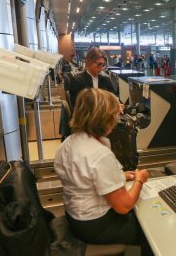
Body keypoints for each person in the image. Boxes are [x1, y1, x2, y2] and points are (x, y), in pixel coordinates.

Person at [54, 88, 153, 254]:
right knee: (149, 221)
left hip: (76, 218)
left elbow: (84, 178)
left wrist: (120, 176)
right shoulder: (99, 154)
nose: (116, 120)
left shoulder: (68, 143)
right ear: (102, 118)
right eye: (114, 115)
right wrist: (139, 180)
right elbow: (124, 206)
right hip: (98, 226)